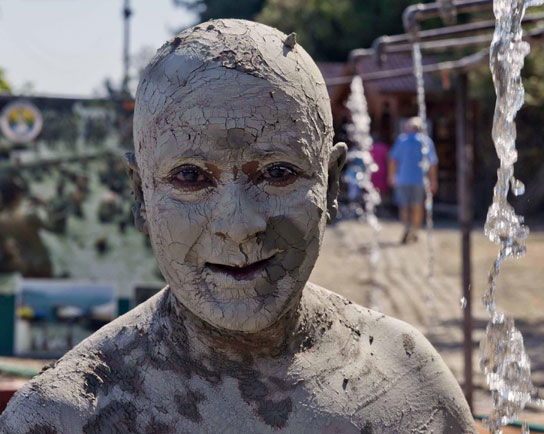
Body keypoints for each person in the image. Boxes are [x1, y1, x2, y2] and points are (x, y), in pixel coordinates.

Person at [0, 20, 476, 433]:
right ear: (141, 196)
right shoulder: (68, 415)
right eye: (190, 177)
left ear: (330, 187)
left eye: (277, 173)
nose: (239, 225)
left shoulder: (408, 383)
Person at [388, 117, 438, 244]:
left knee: (404, 206)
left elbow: (393, 160)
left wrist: (391, 176)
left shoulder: (402, 140)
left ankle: (407, 227)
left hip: (402, 179)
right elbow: (432, 164)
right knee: (418, 206)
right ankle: (415, 231)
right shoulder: (426, 141)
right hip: (420, 180)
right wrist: (433, 181)